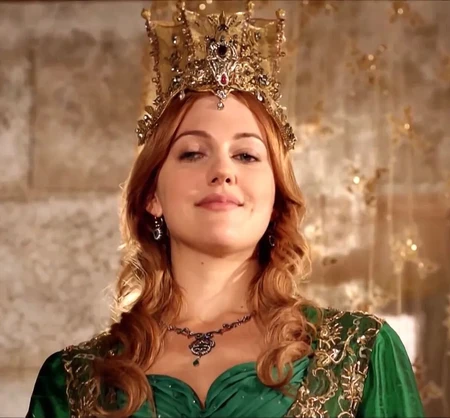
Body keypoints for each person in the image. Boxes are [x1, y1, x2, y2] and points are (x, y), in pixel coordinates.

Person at [26, 1, 424, 417]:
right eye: (193, 153)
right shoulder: (72, 381)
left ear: (276, 199)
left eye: (246, 155)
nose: (222, 172)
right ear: (151, 196)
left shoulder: (361, 354)